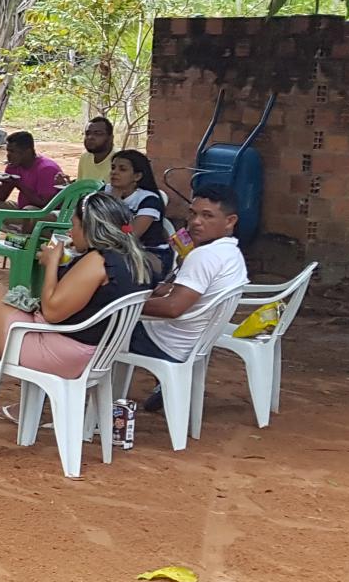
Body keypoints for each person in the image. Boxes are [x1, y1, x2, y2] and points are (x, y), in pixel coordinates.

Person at [0, 193, 155, 436]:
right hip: (91, 352)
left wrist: (52, 263)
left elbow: (52, 311)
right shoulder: (135, 259)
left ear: (89, 227)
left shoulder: (97, 261)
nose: (72, 234)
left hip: (62, 353)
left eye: (74, 226)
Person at [131, 185, 249, 409]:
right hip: (192, 342)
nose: (195, 222)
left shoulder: (205, 256)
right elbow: (180, 293)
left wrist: (125, 304)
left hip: (166, 345)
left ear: (230, 221)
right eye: (192, 213)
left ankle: (91, 408)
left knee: (102, 330)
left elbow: (173, 308)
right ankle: (164, 386)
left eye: (207, 216)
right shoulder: (230, 252)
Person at [0, 131, 63, 260]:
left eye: (12, 152)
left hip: (47, 213)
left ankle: (21, 256)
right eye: (8, 151)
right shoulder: (14, 167)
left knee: (28, 211)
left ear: (27, 151)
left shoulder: (46, 169)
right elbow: (1, 197)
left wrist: (19, 184)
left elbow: (45, 203)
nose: (8, 156)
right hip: (24, 209)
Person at [108, 148, 174, 277]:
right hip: (114, 248)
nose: (114, 173)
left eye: (122, 169)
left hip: (147, 253)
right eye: (113, 167)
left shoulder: (149, 200)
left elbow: (131, 234)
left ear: (137, 176)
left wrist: (114, 203)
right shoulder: (106, 190)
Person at [69, 117, 114, 185]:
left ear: (110, 138)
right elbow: (80, 188)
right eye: (87, 133)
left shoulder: (119, 160)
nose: (90, 137)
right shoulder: (85, 157)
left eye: (98, 133)